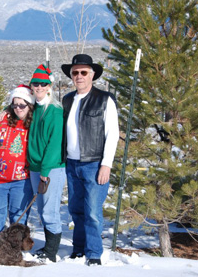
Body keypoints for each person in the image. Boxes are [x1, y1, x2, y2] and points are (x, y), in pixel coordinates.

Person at [61, 54, 119, 266]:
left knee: (93, 211)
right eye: (75, 72)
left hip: (94, 164)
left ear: (92, 75)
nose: (79, 76)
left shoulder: (105, 100)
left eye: (83, 72)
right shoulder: (67, 100)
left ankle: (94, 253)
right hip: (72, 164)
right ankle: (78, 249)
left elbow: (112, 133)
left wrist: (106, 164)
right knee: (76, 209)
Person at [0, 84, 35, 238]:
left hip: (22, 180)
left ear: (29, 105)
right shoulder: (1, 121)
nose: (18, 108)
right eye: (14, 104)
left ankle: (16, 247)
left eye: (22, 105)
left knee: (18, 216)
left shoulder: (34, 123)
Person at [27, 64, 66, 262]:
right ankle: (47, 248)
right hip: (35, 168)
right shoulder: (34, 108)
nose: (39, 87)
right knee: (42, 210)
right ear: (31, 86)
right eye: (36, 84)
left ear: (49, 85)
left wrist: (45, 169)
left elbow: (54, 143)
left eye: (43, 83)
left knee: (50, 210)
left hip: (51, 168)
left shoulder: (55, 111)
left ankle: (51, 253)